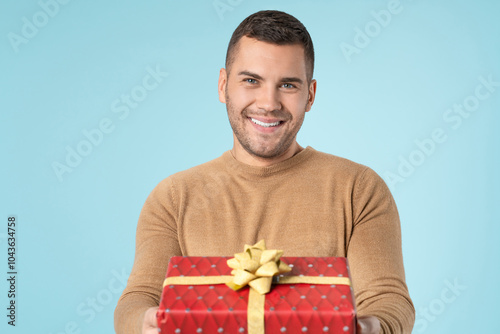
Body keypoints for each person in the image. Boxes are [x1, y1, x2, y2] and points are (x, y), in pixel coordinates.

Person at [114, 10, 415, 334]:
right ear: (223, 85)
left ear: (309, 95)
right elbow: (139, 299)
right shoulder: (174, 197)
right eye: (251, 81)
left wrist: (367, 329)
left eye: (287, 84)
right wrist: (145, 324)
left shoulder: (358, 189)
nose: (268, 103)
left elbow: (388, 301)